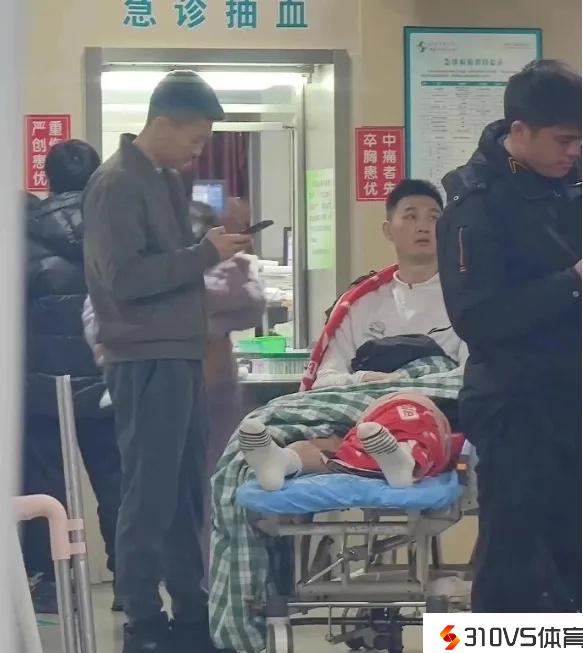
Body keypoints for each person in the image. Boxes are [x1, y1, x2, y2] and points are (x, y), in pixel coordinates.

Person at [82, 70, 250, 653]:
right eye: (196, 139)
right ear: (163, 123)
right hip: (144, 357)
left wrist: (209, 251)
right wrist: (205, 253)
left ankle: (191, 608)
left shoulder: (164, 181)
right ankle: (142, 617)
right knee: (149, 492)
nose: (198, 152)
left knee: (184, 493)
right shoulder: (115, 183)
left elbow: (173, 264)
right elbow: (124, 279)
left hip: (180, 352)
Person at [437, 59, 582, 612]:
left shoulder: (569, 186)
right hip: (515, 404)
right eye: (564, 140)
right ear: (519, 130)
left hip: (571, 398)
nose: (574, 152)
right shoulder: (476, 206)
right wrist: (571, 283)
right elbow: (478, 319)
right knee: (517, 562)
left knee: (571, 558)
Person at [239, 179, 467, 491]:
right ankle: (286, 460)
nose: (423, 226)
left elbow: (466, 376)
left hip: (431, 409)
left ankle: (402, 453)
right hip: (360, 413)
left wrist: (404, 386)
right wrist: (368, 380)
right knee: (306, 429)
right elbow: (324, 380)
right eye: (411, 216)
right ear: (388, 230)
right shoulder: (360, 302)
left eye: (433, 217)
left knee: (412, 410)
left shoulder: (465, 298)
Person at [22, 140, 122, 613]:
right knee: (118, 484)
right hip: (110, 383)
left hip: (42, 388)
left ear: (47, 179)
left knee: (47, 491)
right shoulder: (118, 230)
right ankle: (130, 584)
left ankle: (53, 586)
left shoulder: (23, 236)